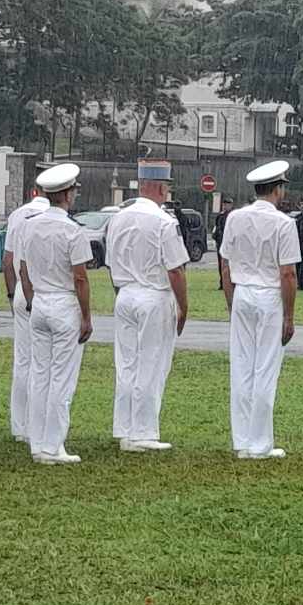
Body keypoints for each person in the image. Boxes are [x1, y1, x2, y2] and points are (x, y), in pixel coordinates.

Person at [104, 162, 190, 453]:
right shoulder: (164, 221)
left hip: (125, 292)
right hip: (154, 294)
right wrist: (183, 306)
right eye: (166, 186)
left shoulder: (118, 218)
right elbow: (176, 269)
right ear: (159, 187)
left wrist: (121, 291)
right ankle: (143, 432)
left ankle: (125, 428)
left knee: (126, 363)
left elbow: (110, 262)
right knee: (151, 364)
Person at [220, 160, 298, 459]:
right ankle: (260, 443)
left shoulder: (235, 218)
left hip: (242, 293)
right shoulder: (283, 223)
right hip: (268, 295)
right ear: (278, 190)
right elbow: (288, 273)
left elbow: (226, 266)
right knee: (265, 368)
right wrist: (289, 316)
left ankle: (241, 440)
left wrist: (231, 302)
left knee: (241, 366)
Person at [18, 163, 94, 464]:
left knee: (40, 374)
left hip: (40, 302)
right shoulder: (72, 230)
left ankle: (38, 443)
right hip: (63, 302)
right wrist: (86, 316)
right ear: (67, 194)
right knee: (62, 378)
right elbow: (80, 277)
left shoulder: (30, 225)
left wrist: (32, 297)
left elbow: (23, 267)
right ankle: (54, 445)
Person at [0, 180, 50, 444]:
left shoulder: (18, 215)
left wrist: (12, 295)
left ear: (34, 190)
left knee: (23, 359)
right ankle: (40, 424)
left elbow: (8, 262)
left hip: (21, 287)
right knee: (46, 363)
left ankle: (19, 426)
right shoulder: (57, 218)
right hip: (48, 290)